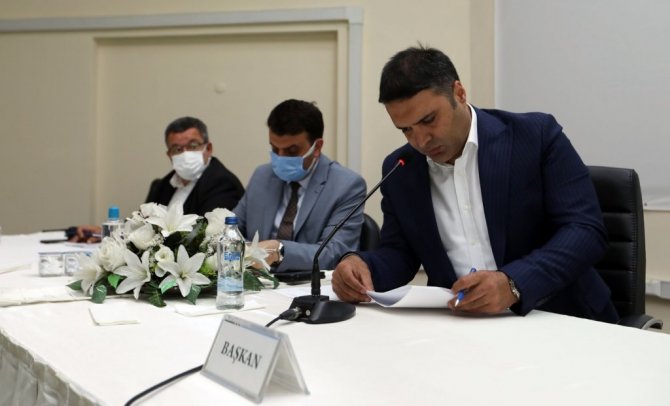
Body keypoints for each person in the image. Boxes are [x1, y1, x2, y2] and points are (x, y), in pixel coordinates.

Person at [332, 46, 619, 323]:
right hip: (461, 325)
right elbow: (400, 253)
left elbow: (585, 230)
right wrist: (362, 266)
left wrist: (514, 283)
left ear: (459, 92)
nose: (421, 141)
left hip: (558, 317)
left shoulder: (535, 137)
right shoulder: (401, 168)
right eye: (406, 129)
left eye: (429, 120)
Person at [233, 99, 367, 272]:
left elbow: (333, 254)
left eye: (292, 151)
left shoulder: (347, 185)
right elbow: (231, 230)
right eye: (275, 149)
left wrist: (279, 250)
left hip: (308, 283)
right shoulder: (262, 175)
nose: (281, 158)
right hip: (257, 281)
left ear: (317, 147)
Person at [70, 116, 245, 242]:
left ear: (209, 148)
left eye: (193, 145)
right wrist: (108, 233)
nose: (185, 154)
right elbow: (143, 227)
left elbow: (202, 237)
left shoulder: (222, 183)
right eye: (177, 149)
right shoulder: (163, 185)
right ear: (169, 155)